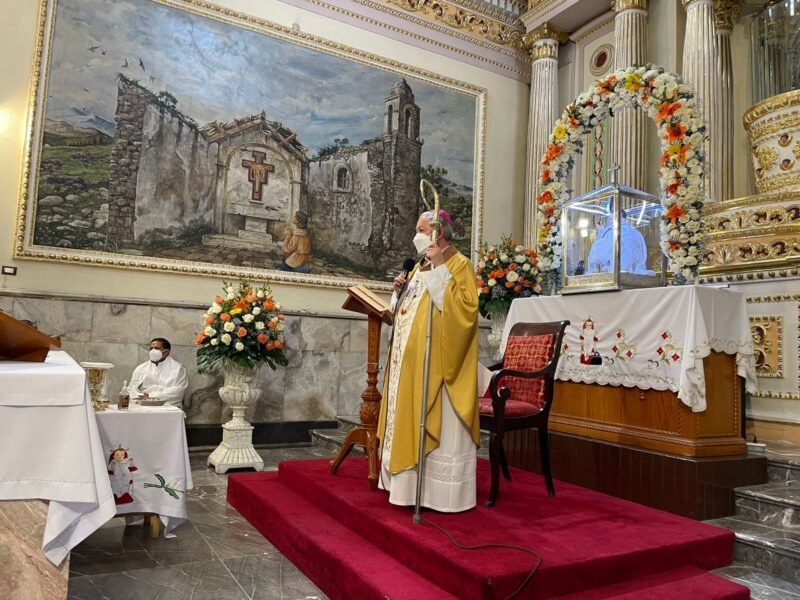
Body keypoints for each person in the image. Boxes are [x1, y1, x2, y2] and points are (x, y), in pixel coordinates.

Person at [377, 209, 480, 513]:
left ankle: (435, 493)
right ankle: (401, 485)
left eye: (422, 229)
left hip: (436, 364)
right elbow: (403, 313)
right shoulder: (418, 266)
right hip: (406, 360)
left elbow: (465, 313)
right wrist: (399, 293)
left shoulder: (459, 264)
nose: (417, 234)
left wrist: (439, 267)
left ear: (439, 233)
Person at [128, 337, 188, 408]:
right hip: (143, 405)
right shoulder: (141, 368)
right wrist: (139, 396)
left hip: (167, 407)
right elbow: (131, 388)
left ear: (167, 352)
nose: (153, 351)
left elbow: (178, 391)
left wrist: (151, 396)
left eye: (157, 348)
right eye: (151, 348)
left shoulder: (178, 368)